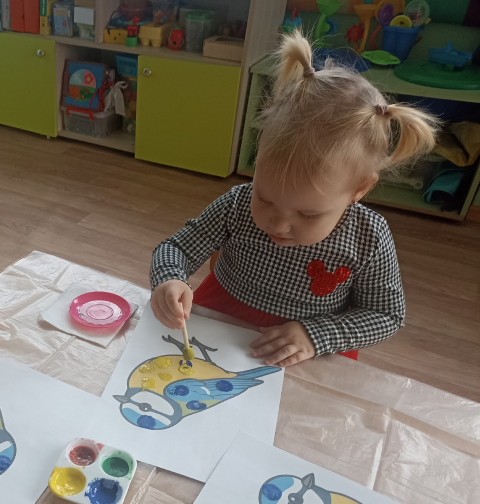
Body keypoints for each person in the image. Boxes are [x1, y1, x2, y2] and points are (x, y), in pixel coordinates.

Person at [150, 31, 438, 368]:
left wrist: (317, 335)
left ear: (359, 188)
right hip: (219, 322)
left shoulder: (369, 236)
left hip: (307, 348)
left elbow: (386, 315)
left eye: (307, 213)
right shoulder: (237, 203)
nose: (279, 223)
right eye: (265, 197)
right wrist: (169, 277)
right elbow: (178, 248)